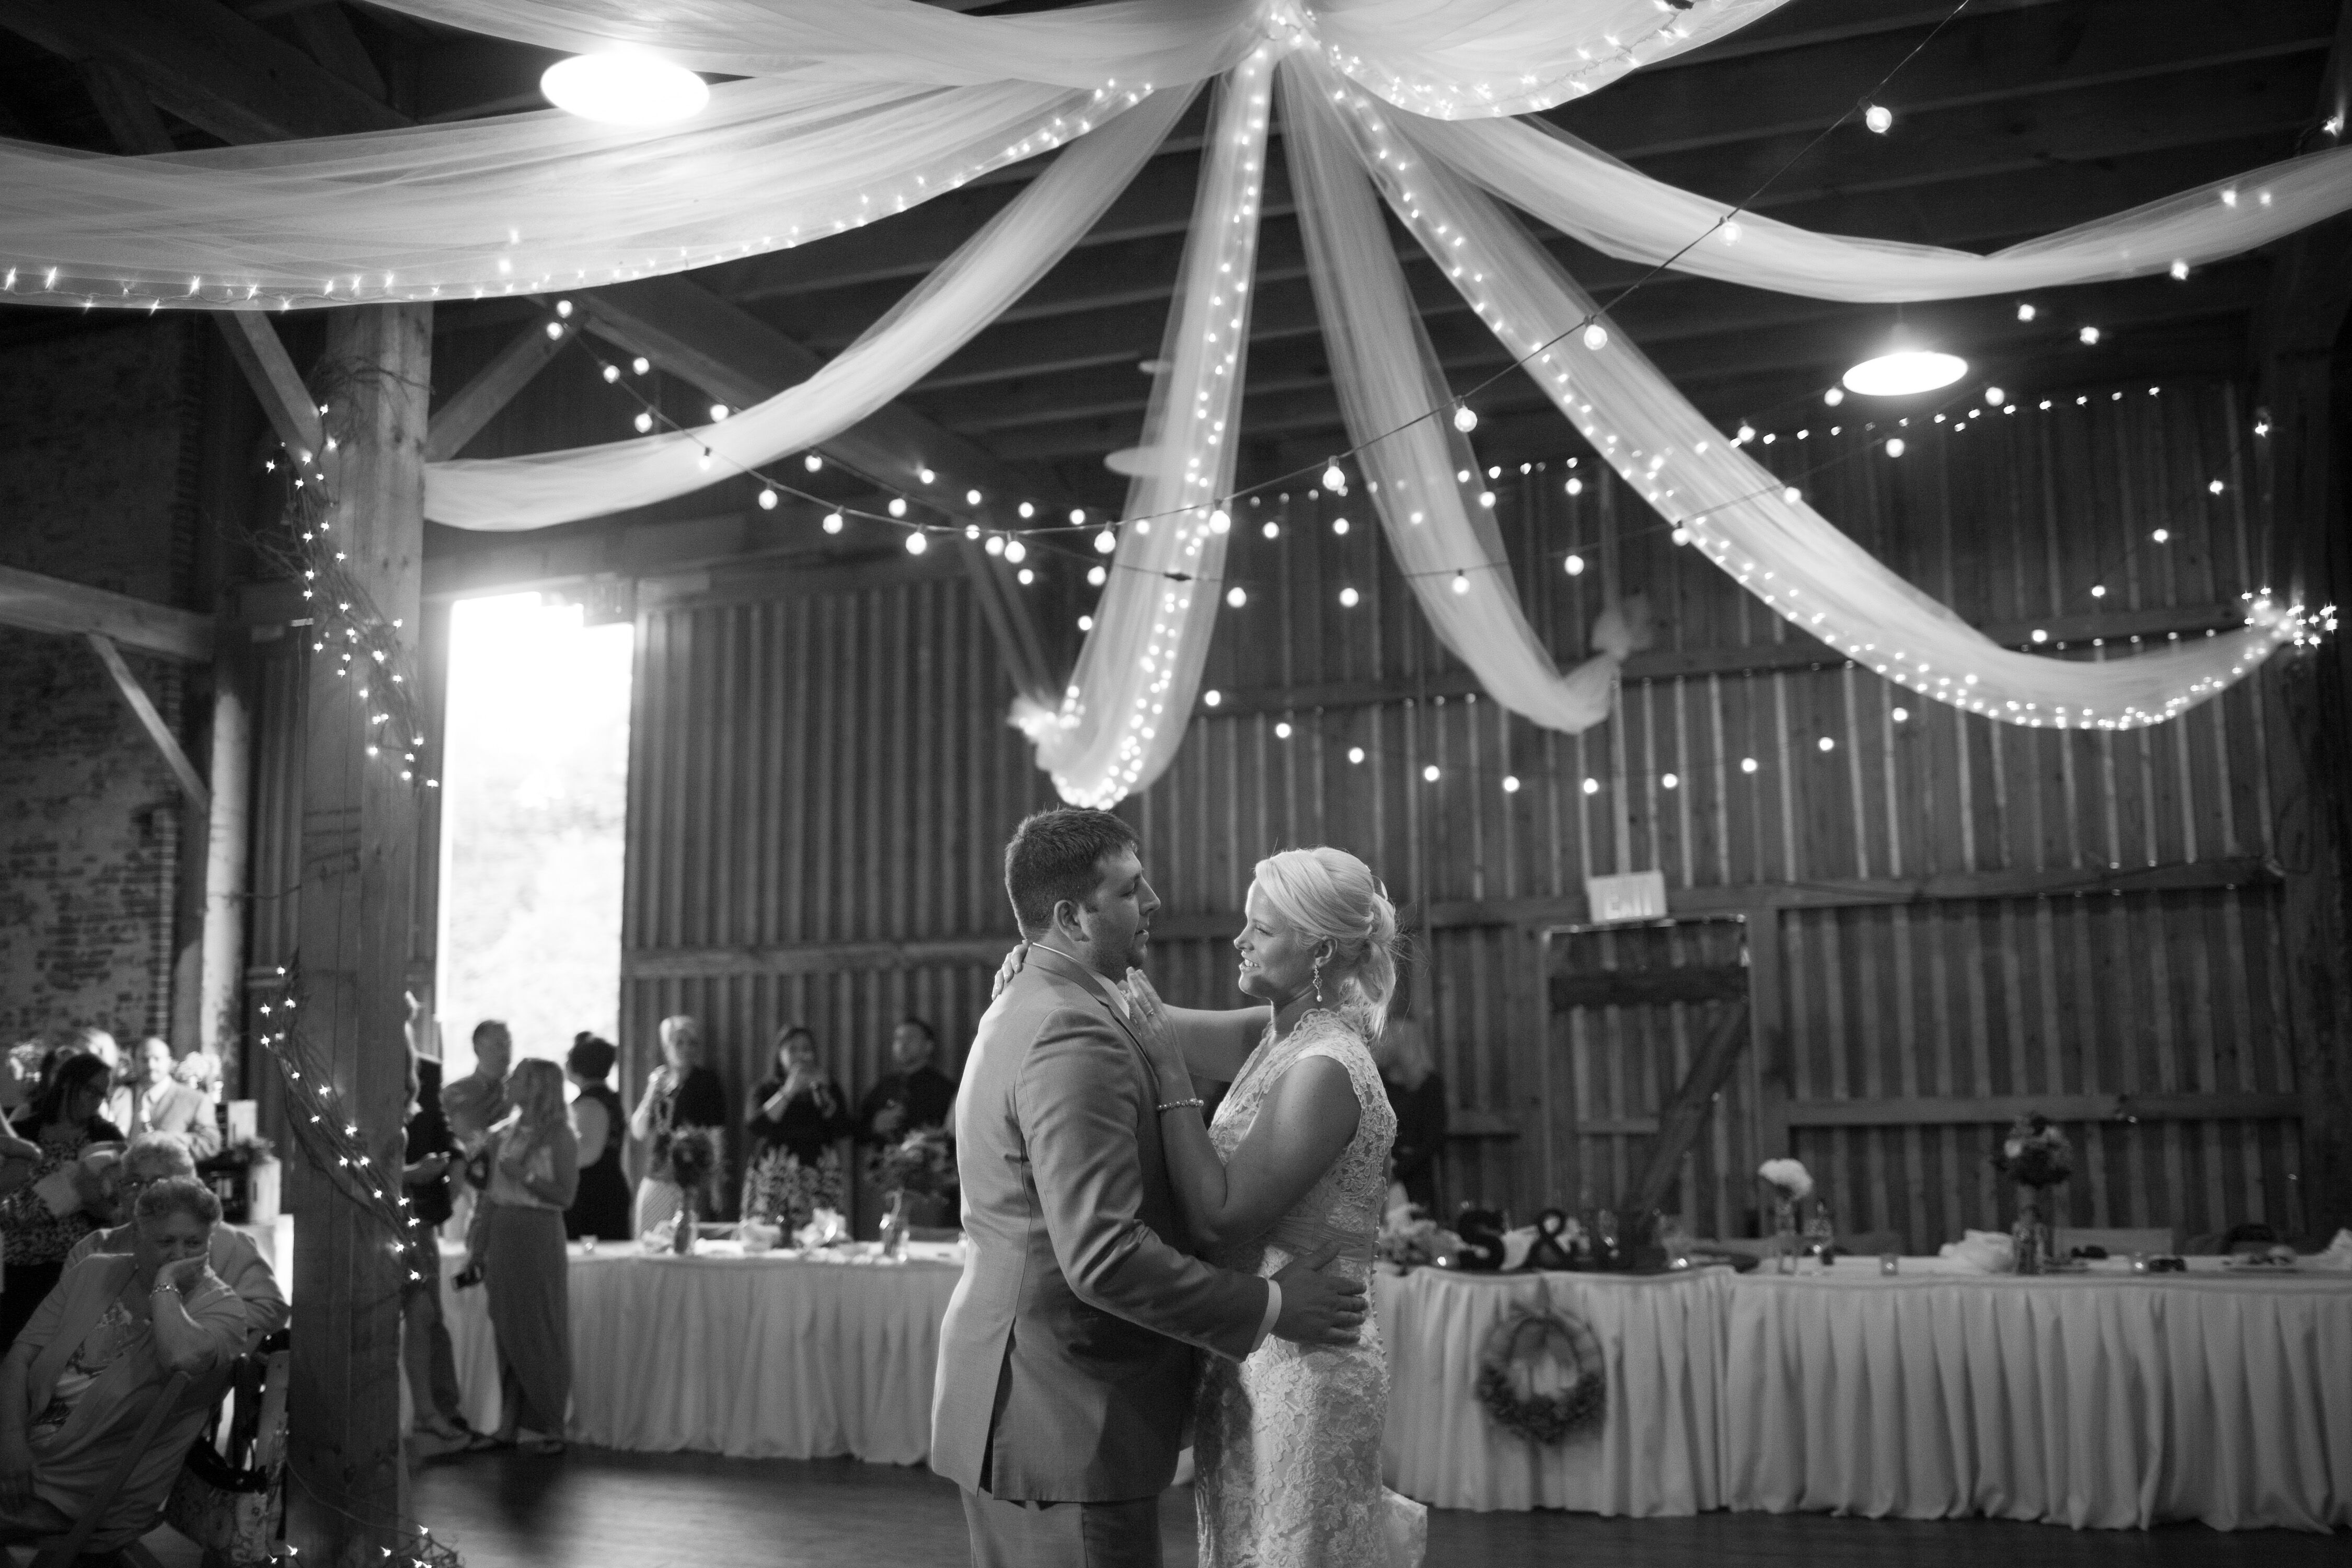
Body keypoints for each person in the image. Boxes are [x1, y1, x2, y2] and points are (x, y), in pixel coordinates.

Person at [932, 808, 1368, 1568]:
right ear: (1072, 915)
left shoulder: (1055, 1005)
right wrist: (1269, 1305)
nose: (1158, 903)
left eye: (1260, 929)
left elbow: (1253, 1037)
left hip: (1044, 1398)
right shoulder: (1073, 1029)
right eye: (1132, 891)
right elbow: (1103, 1256)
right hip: (1063, 1409)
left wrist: (1044, 957)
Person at [1129, 846, 1427, 1566]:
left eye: (1260, 930)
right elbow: (1137, 1019)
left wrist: (1173, 1079)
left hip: (1305, 1367)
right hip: (1259, 1349)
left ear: (1319, 950)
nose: (1239, 940)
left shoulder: (1324, 1067)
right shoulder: (1277, 1035)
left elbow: (1221, 1217)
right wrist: (1040, 966)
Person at [0, 1177, 246, 1551]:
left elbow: (180, 1357)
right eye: (165, 1243)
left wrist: (165, 1283)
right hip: (23, 1451)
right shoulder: (94, 1271)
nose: (180, 1254)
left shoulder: (221, 1308)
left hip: (89, 1490)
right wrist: (12, 1440)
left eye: (194, 1243)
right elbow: (20, 1357)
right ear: (136, 1239)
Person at [63, 1134, 286, 1350]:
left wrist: (182, 1317)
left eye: (158, 1182)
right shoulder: (94, 1248)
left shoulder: (227, 1242)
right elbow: (61, 1317)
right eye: (132, 1182)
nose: (142, 1193)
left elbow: (270, 1310)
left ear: (188, 1189)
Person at [474, 1058, 577, 1456]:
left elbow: (566, 1196)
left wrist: (526, 1177)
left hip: (538, 1233)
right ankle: (508, 1423)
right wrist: (478, 1247)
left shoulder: (561, 1136)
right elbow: (488, 1194)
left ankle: (551, 1423)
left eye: (517, 1078)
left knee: (540, 1327)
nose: (508, 1082)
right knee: (507, 1326)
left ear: (536, 1087)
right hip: (504, 1231)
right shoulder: (504, 1133)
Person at [0, 1056, 127, 1349]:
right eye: (92, 1091)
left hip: (71, 1266)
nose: (98, 1100)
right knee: (15, 1346)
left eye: (103, 1094)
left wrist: (88, 1195)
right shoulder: (25, 1131)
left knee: (58, 1347)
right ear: (69, 1084)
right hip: (18, 1264)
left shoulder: (104, 1138)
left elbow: (115, 1209)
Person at [398, 1011, 473, 1448]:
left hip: (416, 1219)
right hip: (374, 1218)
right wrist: (411, 1173)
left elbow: (444, 1133)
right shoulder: (351, 1070)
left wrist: (456, 1159)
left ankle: (431, 1412)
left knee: (425, 1315)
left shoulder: (422, 1073)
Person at [740, 1026, 852, 1232]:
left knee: (820, 1238)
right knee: (768, 1236)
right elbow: (756, 1125)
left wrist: (824, 1092)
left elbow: (843, 1128)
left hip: (818, 1174)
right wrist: (789, 1091)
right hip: (775, 1174)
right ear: (779, 1054)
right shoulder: (765, 1088)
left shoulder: (826, 1086)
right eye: (793, 1050)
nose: (801, 1055)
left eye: (807, 1049)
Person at [628, 1016, 725, 1237]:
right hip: (658, 1174)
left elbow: (716, 1133)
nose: (686, 1049)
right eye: (679, 1042)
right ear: (666, 1047)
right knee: (650, 1239)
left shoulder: (707, 1082)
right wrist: (651, 1092)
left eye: (692, 1043)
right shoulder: (660, 1083)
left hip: (693, 1177)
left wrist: (715, 1185)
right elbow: (639, 1131)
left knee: (688, 1240)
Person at [1370, 1017, 1445, 1214]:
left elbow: (1434, 1137)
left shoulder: (1429, 1085)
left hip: (1415, 1176)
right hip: (1378, 1174)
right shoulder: (1377, 1081)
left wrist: (1397, 1170)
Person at [103, 1039, 221, 1161]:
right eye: (144, 1060)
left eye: (157, 1059)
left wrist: (163, 1141)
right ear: (134, 1062)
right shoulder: (119, 1096)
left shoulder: (196, 1100)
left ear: (169, 1062)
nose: (151, 1065)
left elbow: (210, 1144)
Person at [563, 1034, 631, 1242]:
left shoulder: (590, 1104)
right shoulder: (610, 1099)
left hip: (593, 1196)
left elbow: (585, 1155)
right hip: (608, 1188)